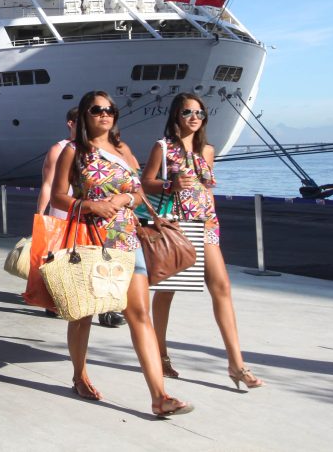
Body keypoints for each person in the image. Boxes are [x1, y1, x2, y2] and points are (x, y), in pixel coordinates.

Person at [50, 91, 192, 417]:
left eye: (110, 109)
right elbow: (58, 197)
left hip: (128, 240)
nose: (105, 114)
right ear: (85, 115)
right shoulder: (74, 151)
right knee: (84, 313)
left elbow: (139, 193)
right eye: (97, 109)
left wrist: (126, 201)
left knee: (139, 315)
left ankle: (159, 396)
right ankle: (79, 375)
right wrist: (90, 204)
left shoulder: (123, 149)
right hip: (92, 240)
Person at [140, 93, 264, 390]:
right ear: (175, 116)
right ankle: (160, 352)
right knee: (168, 290)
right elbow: (145, 182)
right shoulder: (163, 147)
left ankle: (237, 364)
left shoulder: (208, 150)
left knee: (221, 286)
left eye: (199, 113)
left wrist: (212, 218)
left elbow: (206, 188)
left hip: (206, 223)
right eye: (187, 112)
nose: (194, 117)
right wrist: (170, 184)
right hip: (176, 224)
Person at [37, 107, 124, 327]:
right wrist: (41, 216)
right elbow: (48, 184)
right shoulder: (60, 149)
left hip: (100, 213)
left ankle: (108, 309)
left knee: (102, 257)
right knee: (67, 260)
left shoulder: (107, 148)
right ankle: (59, 299)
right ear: (71, 123)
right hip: (65, 210)